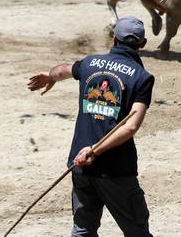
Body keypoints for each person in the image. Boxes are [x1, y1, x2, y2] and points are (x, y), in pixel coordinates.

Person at [27, 16, 154, 237]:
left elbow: (61, 71)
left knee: (83, 231)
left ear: (114, 39)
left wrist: (50, 76)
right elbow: (131, 126)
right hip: (115, 169)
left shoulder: (89, 63)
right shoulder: (142, 78)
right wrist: (94, 151)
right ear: (142, 44)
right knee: (137, 232)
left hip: (80, 164)